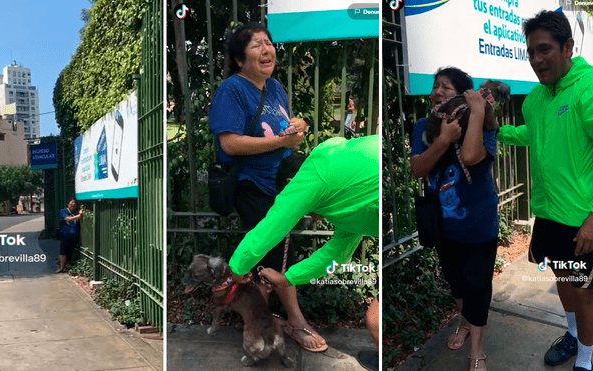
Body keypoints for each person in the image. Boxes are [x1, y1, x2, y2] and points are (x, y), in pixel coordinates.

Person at [208, 23, 327, 351]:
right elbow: (230, 143)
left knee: (274, 257)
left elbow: (283, 136)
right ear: (238, 59)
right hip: (253, 186)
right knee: (269, 257)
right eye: (256, 45)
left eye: (268, 43)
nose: (266, 49)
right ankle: (288, 324)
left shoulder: (275, 88)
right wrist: (280, 140)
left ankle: (263, 324)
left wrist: (297, 128)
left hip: (282, 185)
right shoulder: (232, 90)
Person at [497, 10, 593, 371]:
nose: (536, 60)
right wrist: (498, 131)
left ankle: (586, 361)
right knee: (564, 279)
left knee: (585, 293)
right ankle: (573, 335)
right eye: (531, 52)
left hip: (583, 219)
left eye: (544, 49)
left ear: (567, 46)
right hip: (549, 215)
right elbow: (531, 134)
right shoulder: (535, 99)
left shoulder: (588, 88)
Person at [227, 135, 379, 363]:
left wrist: (238, 266)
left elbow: (276, 222)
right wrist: (286, 278)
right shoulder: (347, 206)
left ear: (291, 184)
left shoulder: (318, 170)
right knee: (375, 320)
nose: (312, 218)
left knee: (376, 321)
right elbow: (337, 254)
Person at [410, 67, 499, 371]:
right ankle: (464, 323)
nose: (438, 92)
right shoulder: (425, 126)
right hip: (442, 225)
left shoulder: (484, 121)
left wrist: (475, 111)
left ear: (463, 94)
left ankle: (476, 350)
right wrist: (443, 139)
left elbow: (472, 156)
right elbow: (417, 169)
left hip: (478, 225)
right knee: (457, 285)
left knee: (477, 287)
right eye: (436, 86)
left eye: (446, 88)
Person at [57, 198, 83, 273]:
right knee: (63, 251)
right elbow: (67, 219)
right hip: (65, 234)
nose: (73, 205)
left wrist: (80, 212)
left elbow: (80, 213)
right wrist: (78, 216)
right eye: (71, 203)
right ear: (67, 204)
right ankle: (62, 267)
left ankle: (65, 266)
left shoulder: (75, 212)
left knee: (69, 252)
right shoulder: (63, 211)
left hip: (74, 235)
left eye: (74, 203)